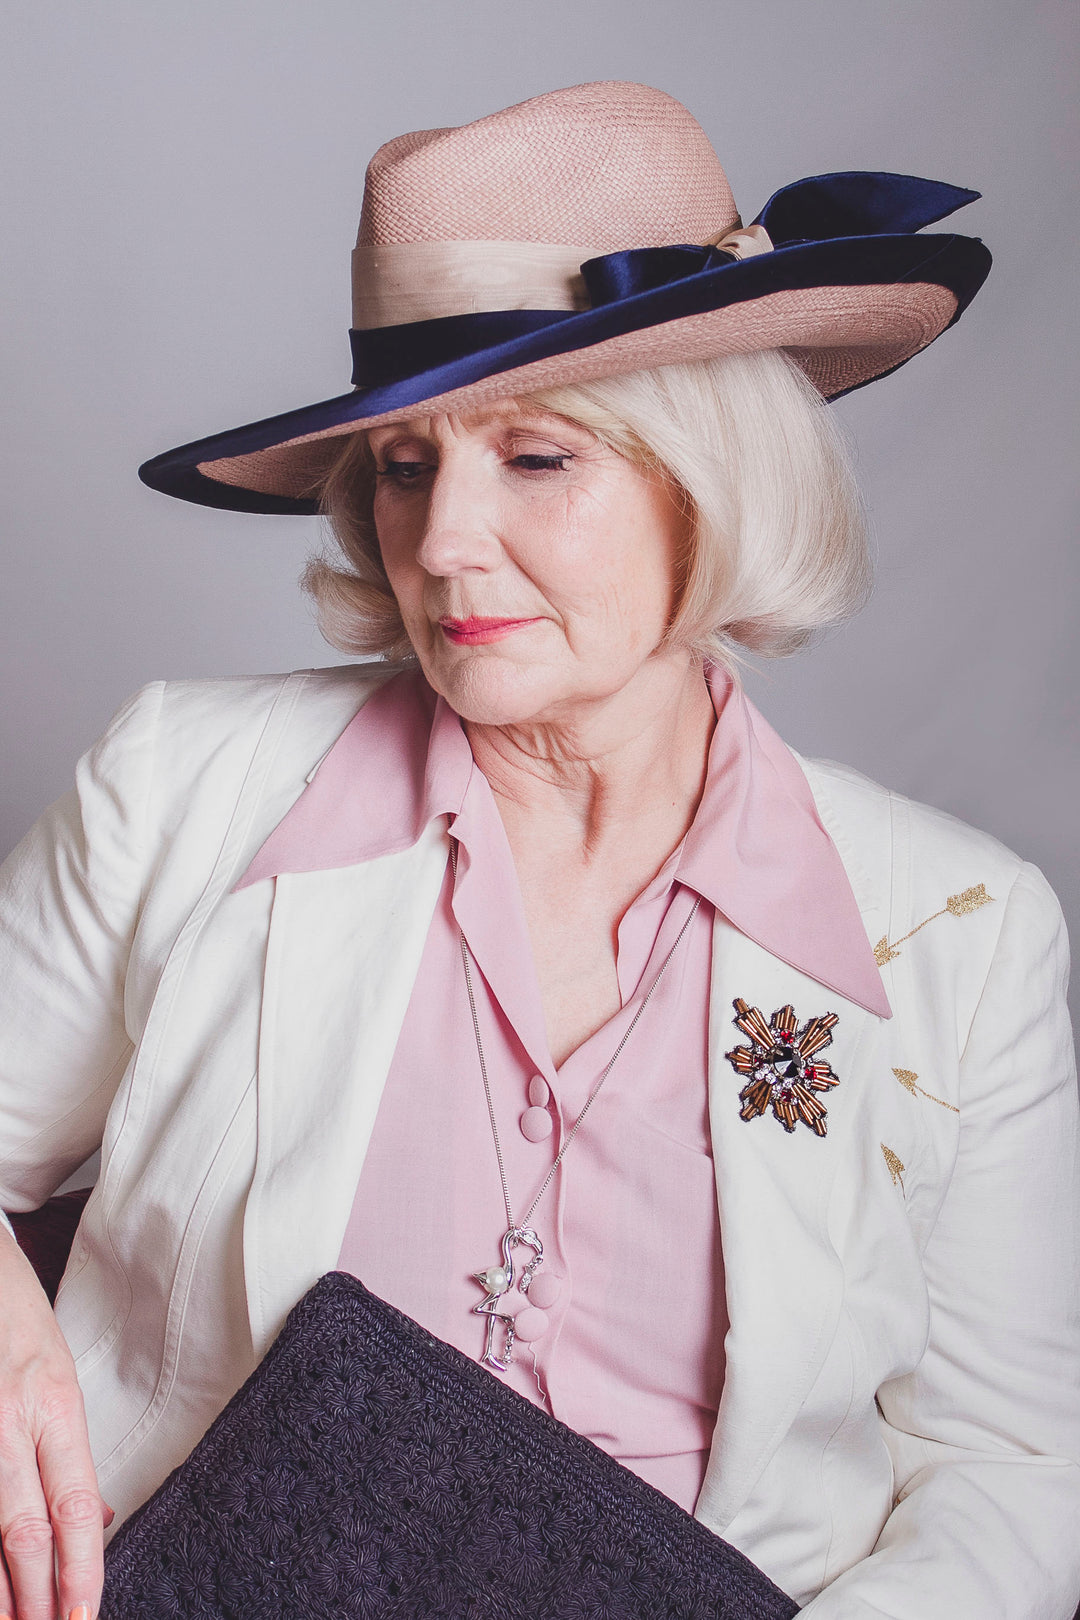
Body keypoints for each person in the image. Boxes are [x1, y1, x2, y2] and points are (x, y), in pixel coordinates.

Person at [0, 79, 1077, 1620]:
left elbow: (1012, 1465)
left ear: (709, 478)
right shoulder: (186, 785)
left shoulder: (964, 933)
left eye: (539, 457)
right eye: (407, 464)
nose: (439, 543)